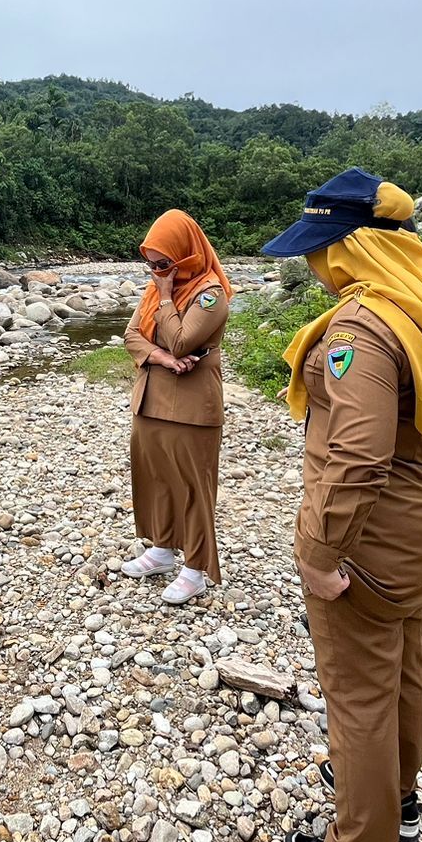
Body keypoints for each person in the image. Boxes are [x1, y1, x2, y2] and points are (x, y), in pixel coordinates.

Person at [264, 169, 422, 842]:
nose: (314, 264)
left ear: (349, 250)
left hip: (373, 540)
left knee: (357, 696)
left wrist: (319, 555)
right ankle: (400, 799)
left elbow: (357, 456)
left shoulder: (364, 326)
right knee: (403, 669)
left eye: (320, 250)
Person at [119, 210, 233, 605]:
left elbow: (184, 340)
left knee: (193, 487)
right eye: (150, 263)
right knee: (157, 477)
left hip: (191, 407)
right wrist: (162, 358)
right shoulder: (155, 289)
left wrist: (166, 297)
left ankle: (195, 568)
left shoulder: (209, 292)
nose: (155, 271)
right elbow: (131, 335)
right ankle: (162, 549)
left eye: (163, 263)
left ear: (184, 254)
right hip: (150, 398)